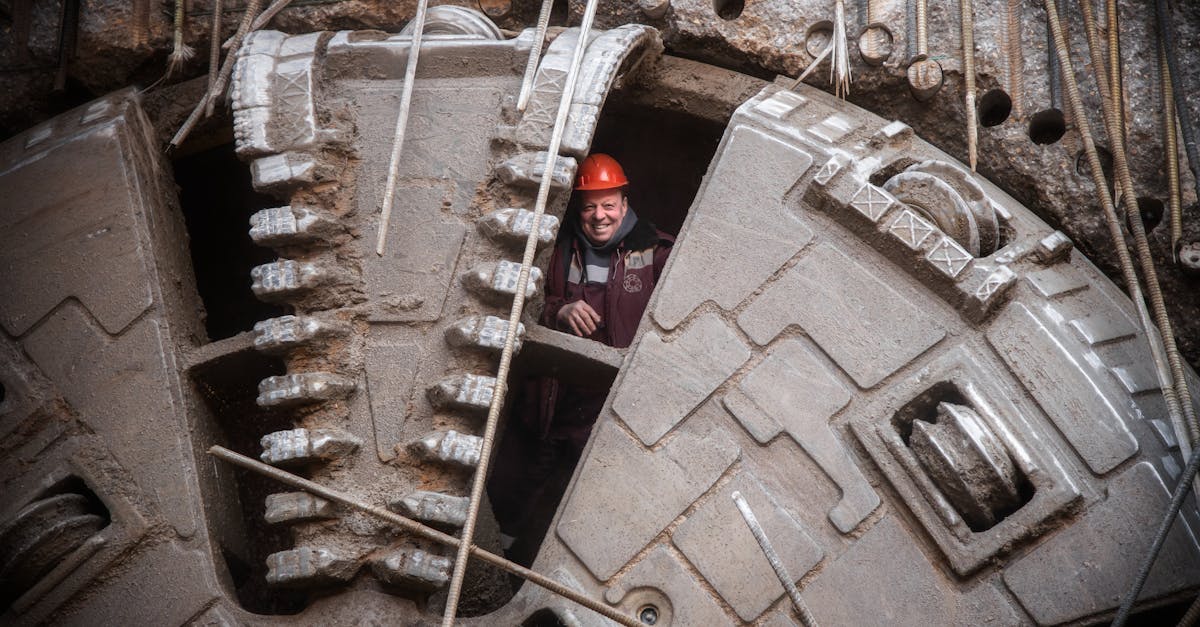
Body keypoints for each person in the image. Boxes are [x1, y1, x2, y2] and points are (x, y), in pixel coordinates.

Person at [488, 154, 673, 564]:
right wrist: (559, 310)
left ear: (624, 202)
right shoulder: (557, 247)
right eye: (589, 206)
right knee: (509, 494)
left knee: (586, 505)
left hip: (605, 410)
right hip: (547, 399)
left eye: (608, 204)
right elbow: (524, 301)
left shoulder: (658, 252)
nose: (599, 216)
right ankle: (492, 573)